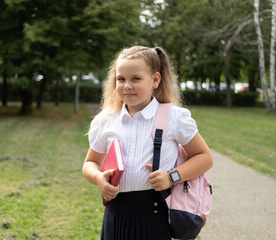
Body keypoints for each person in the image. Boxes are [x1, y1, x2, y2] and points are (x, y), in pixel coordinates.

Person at [82, 46, 213, 240]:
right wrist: (98, 178)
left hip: (155, 217)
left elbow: (205, 158)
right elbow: (89, 163)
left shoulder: (174, 117)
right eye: (121, 79)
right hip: (115, 217)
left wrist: (171, 177)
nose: (127, 85)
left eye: (136, 78)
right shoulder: (106, 121)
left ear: (155, 80)